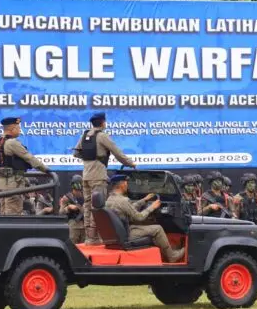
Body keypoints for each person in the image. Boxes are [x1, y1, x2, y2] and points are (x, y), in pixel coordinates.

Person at [73, 112, 135, 244]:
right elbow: (117, 153)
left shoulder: (85, 135)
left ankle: (89, 237)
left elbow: (76, 153)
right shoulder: (102, 136)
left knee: (88, 205)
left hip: (86, 176)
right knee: (98, 207)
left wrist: (89, 158)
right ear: (102, 123)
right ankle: (95, 238)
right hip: (98, 177)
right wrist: (131, 163)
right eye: (105, 122)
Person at [105, 174, 184, 263]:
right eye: (126, 183)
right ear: (122, 184)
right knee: (157, 229)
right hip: (128, 233)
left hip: (120, 232)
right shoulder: (123, 200)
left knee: (150, 228)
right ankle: (172, 256)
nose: (127, 185)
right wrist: (152, 207)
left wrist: (144, 200)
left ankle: (168, 250)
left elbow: (129, 208)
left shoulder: (110, 199)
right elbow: (139, 217)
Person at [0, 117, 49, 216]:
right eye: (18, 128)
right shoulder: (12, 142)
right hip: (13, 184)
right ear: (12, 129)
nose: (20, 130)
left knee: (4, 215)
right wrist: (46, 170)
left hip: (2, 184)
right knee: (13, 215)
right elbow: (29, 157)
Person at [60, 175, 85, 244]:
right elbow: (61, 212)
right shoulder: (67, 197)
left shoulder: (85, 196)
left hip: (85, 225)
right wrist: (68, 207)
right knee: (73, 246)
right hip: (73, 225)